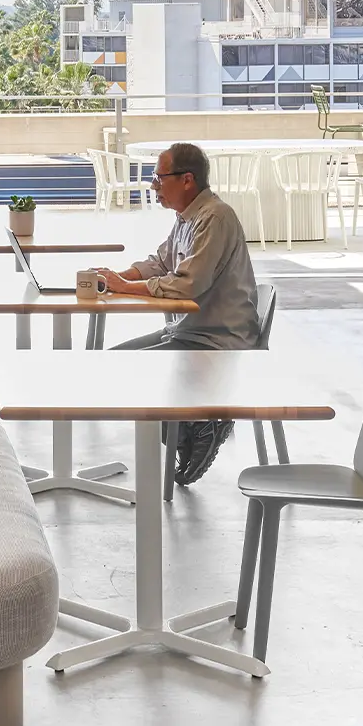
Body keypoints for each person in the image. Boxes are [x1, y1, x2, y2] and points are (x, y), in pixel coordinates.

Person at [93, 142, 261, 483]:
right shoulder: (186, 218)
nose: (153, 186)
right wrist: (117, 277)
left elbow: (186, 285)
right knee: (109, 365)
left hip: (217, 339)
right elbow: (160, 262)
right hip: (187, 330)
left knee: (131, 372)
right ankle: (190, 426)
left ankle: (202, 424)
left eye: (158, 178)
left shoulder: (214, 217)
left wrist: (123, 288)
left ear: (187, 180)